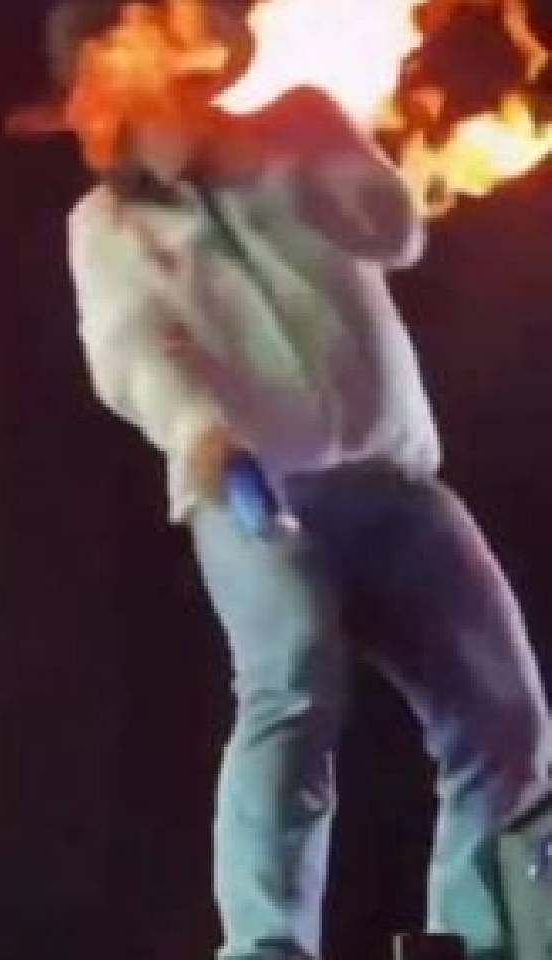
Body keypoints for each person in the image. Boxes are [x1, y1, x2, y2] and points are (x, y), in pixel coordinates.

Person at [57, 2, 552, 957]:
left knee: (504, 721)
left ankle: (485, 937)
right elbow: (131, 351)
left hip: (394, 481)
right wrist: (204, 435)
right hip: (257, 501)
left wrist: (269, 158)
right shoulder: (107, 224)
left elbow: (395, 230)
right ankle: (267, 948)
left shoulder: (297, 124)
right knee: (290, 692)